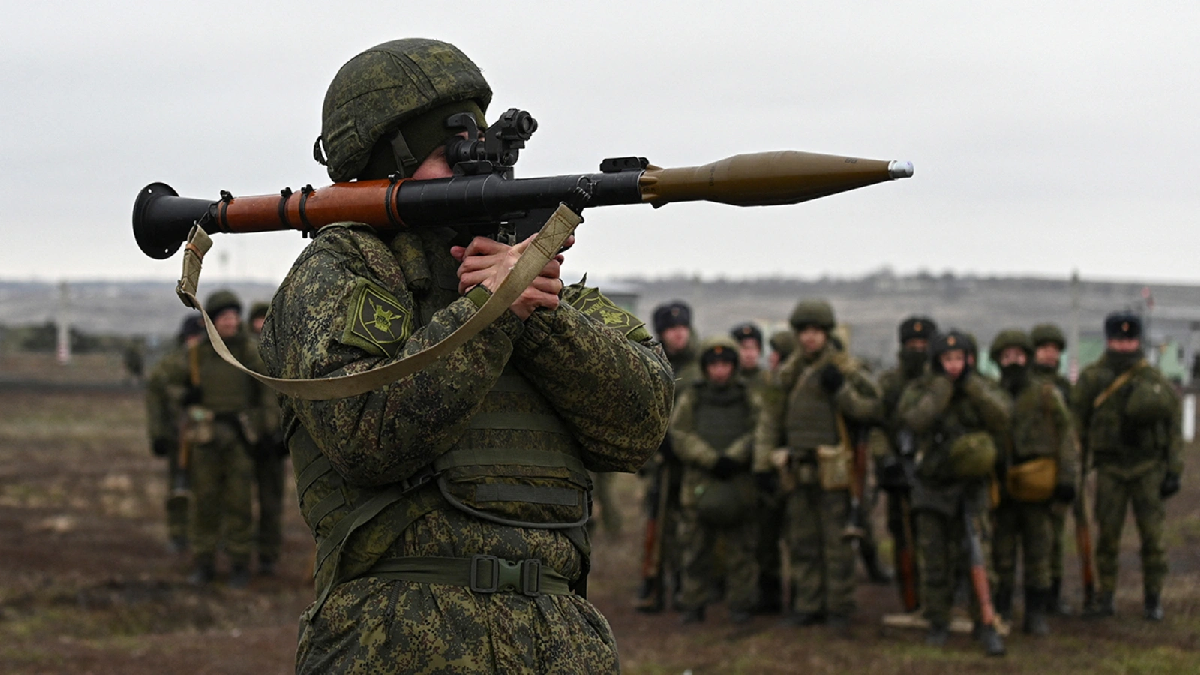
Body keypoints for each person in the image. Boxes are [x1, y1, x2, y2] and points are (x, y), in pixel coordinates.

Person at [257, 38, 673, 673]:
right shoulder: (343, 269)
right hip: (396, 637)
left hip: (561, 640)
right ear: (383, 165)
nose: (475, 171)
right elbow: (365, 432)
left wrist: (533, 310)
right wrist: (493, 309)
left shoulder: (532, 275)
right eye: (448, 154)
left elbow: (639, 425)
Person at [756, 299, 881, 634]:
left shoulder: (846, 369)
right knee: (802, 542)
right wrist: (763, 465)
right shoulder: (788, 374)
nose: (810, 338)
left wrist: (840, 391)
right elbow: (770, 420)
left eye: (816, 331)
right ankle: (807, 605)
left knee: (837, 544)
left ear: (826, 333)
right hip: (797, 469)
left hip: (836, 472)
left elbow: (874, 409)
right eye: (804, 332)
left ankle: (839, 608)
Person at [898, 330, 1011, 656]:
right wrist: (942, 389)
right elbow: (914, 420)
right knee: (934, 556)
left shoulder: (983, 387)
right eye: (947, 360)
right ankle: (938, 620)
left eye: (959, 359)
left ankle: (985, 623)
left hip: (972, 485)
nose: (953, 365)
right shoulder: (921, 389)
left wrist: (972, 387)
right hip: (932, 484)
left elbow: (1002, 417)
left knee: (978, 555)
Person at [158, 290, 275, 587]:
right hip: (205, 439)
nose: (231, 321)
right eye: (224, 316)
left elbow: (268, 392)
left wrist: (267, 429)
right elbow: (166, 384)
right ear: (211, 320)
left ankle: (239, 563)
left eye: (235, 315)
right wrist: (185, 396)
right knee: (205, 503)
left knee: (240, 503)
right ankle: (204, 562)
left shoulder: (249, 352)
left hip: (239, 439)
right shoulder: (196, 355)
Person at [1071, 312, 1183, 621]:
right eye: (1119, 340)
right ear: (1108, 340)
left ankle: (1153, 598)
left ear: (1138, 340)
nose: (1124, 346)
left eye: (1130, 340)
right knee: (1107, 537)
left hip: (1148, 468)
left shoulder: (1152, 378)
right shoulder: (1093, 378)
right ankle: (1105, 596)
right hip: (1110, 469)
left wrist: (1174, 470)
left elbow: (1173, 426)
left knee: (1153, 538)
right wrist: (1075, 471)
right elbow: (1076, 425)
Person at [988, 330, 1078, 636]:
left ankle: (1036, 613)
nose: (1013, 361)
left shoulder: (1046, 396)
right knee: (1002, 555)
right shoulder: (989, 395)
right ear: (998, 360)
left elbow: (1066, 438)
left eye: (1019, 355)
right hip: (1001, 486)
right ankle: (1002, 610)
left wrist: (1067, 479)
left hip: (1038, 485)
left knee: (1039, 554)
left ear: (1027, 357)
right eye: (1006, 356)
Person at [671, 337, 765, 625]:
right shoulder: (693, 397)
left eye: (726, 364)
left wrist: (734, 457)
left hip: (739, 485)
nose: (720, 371)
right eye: (714, 364)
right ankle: (693, 604)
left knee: (741, 553)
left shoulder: (749, 397)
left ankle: (741, 605)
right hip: (700, 485)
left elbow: (760, 431)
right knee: (696, 551)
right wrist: (711, 459)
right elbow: (680, 433)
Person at [635, 300, 700, 613]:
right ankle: (654, 584)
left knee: (689, 527)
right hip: (660, 461)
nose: (678, 335)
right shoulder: (652, 364)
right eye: (671, 329)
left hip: (691, 462)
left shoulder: (700, 369)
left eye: (682, 327)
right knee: (655, 523)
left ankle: (686, 587)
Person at [875, 315, 937, 611]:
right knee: (902, 537)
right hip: (899, 467)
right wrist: (886, 459)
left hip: (935, 469)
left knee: (936, 538)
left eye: (923, 344)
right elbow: (876, 425)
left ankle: (940, 599)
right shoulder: (889, 382)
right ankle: (910, 599)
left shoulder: (940, 382)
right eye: (912, 344)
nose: (918, 349)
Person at [144, 314, 205, 554]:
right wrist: (157, 435)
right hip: (176, 437)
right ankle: (179, 534)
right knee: (178, 488)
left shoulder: (212, 363)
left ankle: (207, 535)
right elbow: (156, 403)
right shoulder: (168, 366)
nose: (195, 342)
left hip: (205, 437)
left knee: (208, 489)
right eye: (192, 337)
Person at [1030, 322, 1077, 614]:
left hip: (1059, 468)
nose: (1049, 355)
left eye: (1054, 350)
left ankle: (1052, 595)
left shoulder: (1065, 389)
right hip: (1030, 469)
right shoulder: (1024, 385)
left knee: (1056, 537)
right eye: (1043, 349)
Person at [247, 300, 286, 576]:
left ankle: (268, 556)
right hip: (246, 439)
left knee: (271, 502)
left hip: (276, 440)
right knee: (237, 500)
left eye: (265, 319)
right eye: (256, 320)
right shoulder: (240, 354)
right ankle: (237, 552)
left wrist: (283, 434)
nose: (261, 325)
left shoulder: (285, 352)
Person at [731, 322, 770, 392]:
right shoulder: (727, 381)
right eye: (744, 348)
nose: (749, 354)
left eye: (754, 348)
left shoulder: (768, 380)